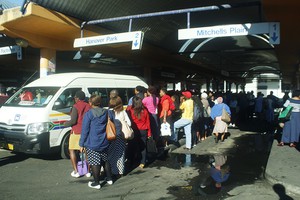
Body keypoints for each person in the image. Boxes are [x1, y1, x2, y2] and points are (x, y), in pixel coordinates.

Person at [79, 95, 112, 189]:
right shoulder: (106, 112)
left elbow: (85, 130)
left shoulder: (89, 114)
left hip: (92, 142)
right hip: (105, 141)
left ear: (90, 103)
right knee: (105, 160)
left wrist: (81, 144)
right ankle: (109, 179)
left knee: (94, 162)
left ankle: (97, 183)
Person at [64, 90, 91, 178]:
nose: (75, 99)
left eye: (75, 97)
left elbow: (73, 121)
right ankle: (87, 171)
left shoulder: (75, 106)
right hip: (86, 131)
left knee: (72, 150)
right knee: (85, 151)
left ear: (77, 98)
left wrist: (65, 123)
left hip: (76, 132)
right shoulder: (88, 106)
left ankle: (76, 171)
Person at [108, 95, 131, 178]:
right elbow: (129, 123)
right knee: (121, 154)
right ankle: (120, 172)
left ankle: (113, 170)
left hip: (111, 136)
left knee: (112, 154)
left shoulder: (109, 112)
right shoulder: (123, 112)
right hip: (121, 137)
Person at [127, 96, 151, 168]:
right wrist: (149, 133)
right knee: (143, 147)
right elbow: (148, 122)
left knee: (132, 146)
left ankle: (132, 161)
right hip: (143, 131)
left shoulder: (130, 110)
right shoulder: (145, 111)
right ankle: (143, 162)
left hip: (134, 131)